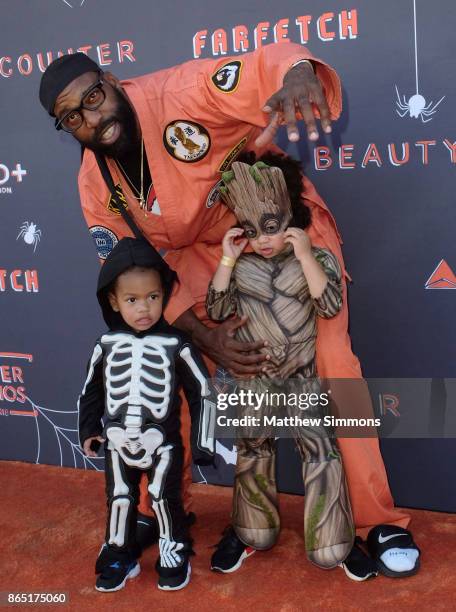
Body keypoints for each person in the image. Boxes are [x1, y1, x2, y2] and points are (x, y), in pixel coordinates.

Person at [39, 44, 418, 579]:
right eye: (72, 117)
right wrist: (197, 332)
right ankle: (154, 511)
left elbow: (268, 64)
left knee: (333, 360)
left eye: (94, 98)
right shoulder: (94, 185)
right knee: (172, 359)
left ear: (113, 80)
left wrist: (298, 74)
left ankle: (375, 520)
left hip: (279, 232)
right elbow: (133, 271)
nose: (92, 119)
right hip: (205, 259)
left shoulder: (181, 91)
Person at [207, 155, 355, 570]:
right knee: (253, 448)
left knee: (321, 450)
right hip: (255, 379)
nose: (263, 239)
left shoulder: (316, 259)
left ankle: (330, 535)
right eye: (252, 230)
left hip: (303, 377)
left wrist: (306, 255)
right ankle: (255, 526)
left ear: (291, 212)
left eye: (271, 227)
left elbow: (328, 305)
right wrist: (227, 259)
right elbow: (216, 311)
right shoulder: (242, 266)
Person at [78, 236, 215, 592]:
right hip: (117, 440)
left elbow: (203, 390)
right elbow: (91, 390)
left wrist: (202, 443)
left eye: (153, 297)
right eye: (132, 300)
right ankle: (120, 553)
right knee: (119, 497)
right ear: (113, 300)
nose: (144, 308)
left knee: (162, 495)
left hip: (162, 442)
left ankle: (174, 547)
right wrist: (89, 429)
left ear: (165, 294)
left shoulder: (177, 345)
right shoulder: (104, 345)